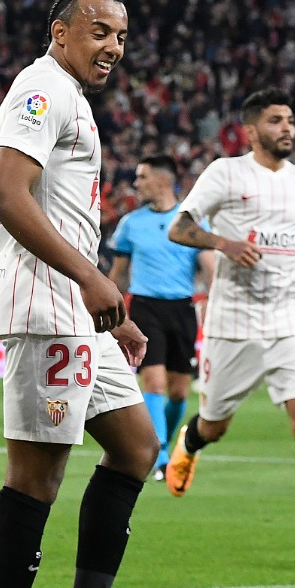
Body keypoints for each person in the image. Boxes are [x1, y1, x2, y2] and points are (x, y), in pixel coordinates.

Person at [0, 0, 158, 588]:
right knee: (36, 480)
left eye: (120, 36)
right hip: (47, 310)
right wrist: (90, 280)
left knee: (138, 446)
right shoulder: (40, 92)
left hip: (79, 311)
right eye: (100, 31)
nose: (112, 47)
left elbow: (67, 216)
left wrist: (111, 307)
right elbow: (5, 196)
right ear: (60, 31)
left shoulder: (70, 99)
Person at [165, 88, 295, 565]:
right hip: (235, 323)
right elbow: (180, 227)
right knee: (216, 425)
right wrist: (223, 244)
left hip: (292, 318)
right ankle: (189, 443)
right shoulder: (226, 173)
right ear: (251, 131)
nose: (288, 128)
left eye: (291, 119)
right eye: (276, 120)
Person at [109, 154, 216, 480]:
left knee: (179, 392)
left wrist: (213, 304)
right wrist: (109, 314)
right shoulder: (131, 223)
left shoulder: (191, 223)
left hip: (182, 309)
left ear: (162, 180)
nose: (137, 184)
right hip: (144, 308)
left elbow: (212, 271)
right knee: (153, 381)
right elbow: (118, 275)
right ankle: (161, 460)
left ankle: (164, 443)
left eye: (142, 177)